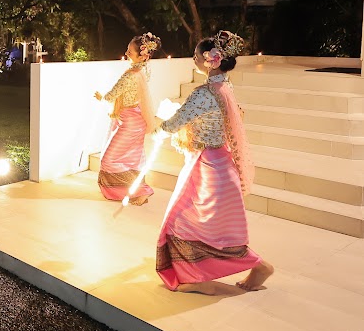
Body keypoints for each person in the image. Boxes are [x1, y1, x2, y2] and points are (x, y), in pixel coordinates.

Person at [154, 30, 274, 295]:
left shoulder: (204, 93)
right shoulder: (225, 87)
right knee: (216, 233)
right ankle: (246, 268)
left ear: (212, 60)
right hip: (221, 164)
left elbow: (176, 122)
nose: (194, 59)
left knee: (180, 222)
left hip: (207, 167)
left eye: (197, 55)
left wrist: (156, 128)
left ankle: (206, 278)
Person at [94, 32, 161, 206]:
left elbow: (112, 95)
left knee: (108, 160)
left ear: (142, 55)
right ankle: (135, 191)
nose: (126, 53)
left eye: (130, 52)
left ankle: (138, 191)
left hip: (130, 123)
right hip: (136, 119)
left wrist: (101, 97)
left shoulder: (130, 75)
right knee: (131, 159)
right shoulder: (143, 70)